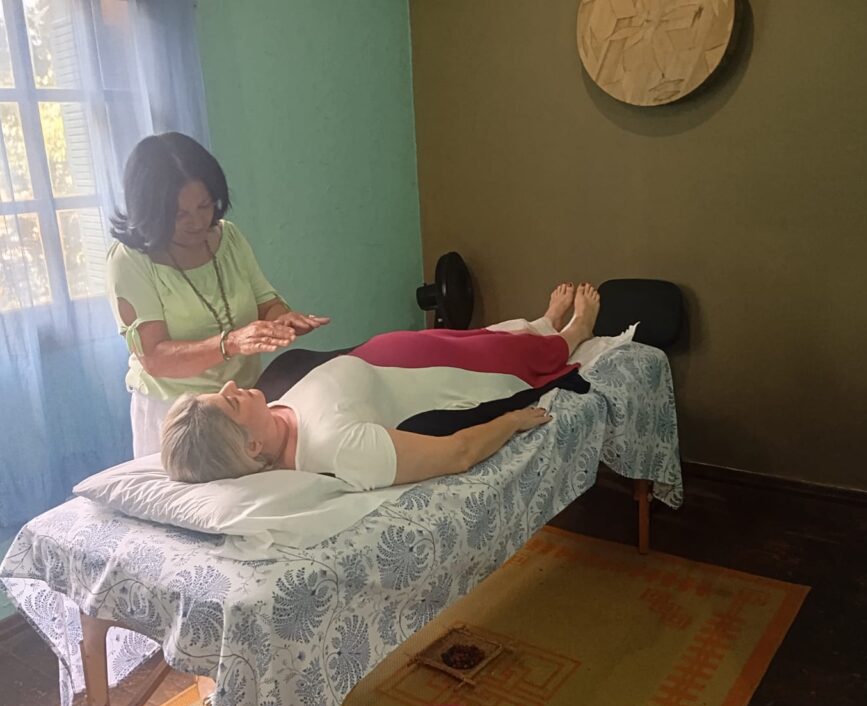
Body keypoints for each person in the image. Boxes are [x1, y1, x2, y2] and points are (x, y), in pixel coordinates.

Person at [161, 282, 602, 489]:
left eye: (220, 393)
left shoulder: (272, 409)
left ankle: (543, 322)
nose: (230, 386)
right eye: (231, 404)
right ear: (252, 447)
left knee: (491, 337)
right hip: (441, 380)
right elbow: (458, 454)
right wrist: (511, 422)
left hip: (408, 352)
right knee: (521, 362)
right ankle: (573, 332)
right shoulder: (338, 449)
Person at [106, 132, 330, 456]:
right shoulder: (129, 260)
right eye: (180, 214)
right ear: (151, 211)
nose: (198, 222)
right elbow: (154, 358)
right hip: (177, 415)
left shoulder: (229, 238)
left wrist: (281, 321)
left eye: (205, 205)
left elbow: (265, 302)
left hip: (245, 404)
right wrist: (232, 343)